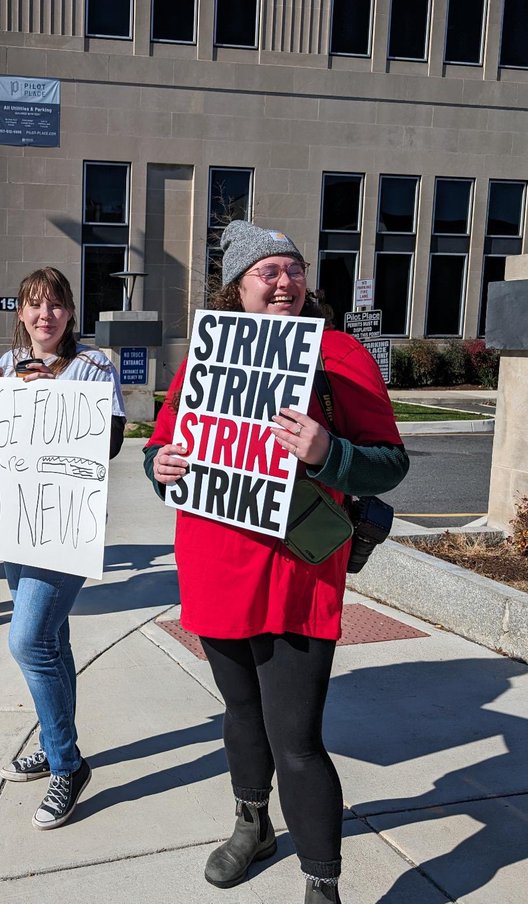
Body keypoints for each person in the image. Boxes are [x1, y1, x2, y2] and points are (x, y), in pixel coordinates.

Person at [144, 220, 408, 904]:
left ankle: (322, 880)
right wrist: (160, 465)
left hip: (296, 566)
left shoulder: (340, 353)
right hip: (213, 559)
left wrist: (330, 453)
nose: (284, 281)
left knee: (296, 734)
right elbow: (163, 448)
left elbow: (390, 463)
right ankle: (252, 824)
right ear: (239, 286)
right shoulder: (203, 357)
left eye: (293, 269)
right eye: (269, 271)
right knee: (239, 711)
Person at [0, 266, 126, 831]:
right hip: (15, 521)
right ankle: (53, 738)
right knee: (53, 640)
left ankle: (67, 763)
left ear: (70, 312)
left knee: (28, 639)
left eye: (56, 305)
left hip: (66, 521)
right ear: (20, 313)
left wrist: (53, 402)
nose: (46, 316)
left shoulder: (94, 366)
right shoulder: (8, 366)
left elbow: (109, 442)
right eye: (35, 306)